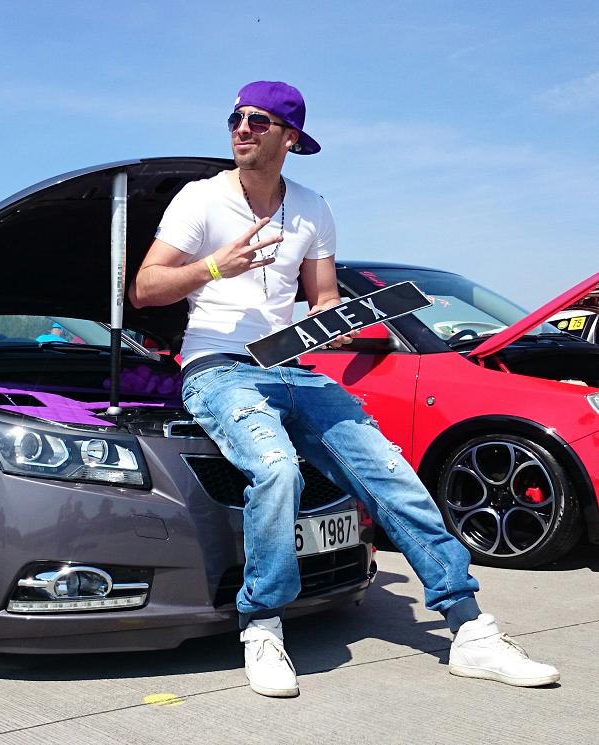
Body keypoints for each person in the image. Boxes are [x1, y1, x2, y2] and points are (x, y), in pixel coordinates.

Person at [129, 80, 559, 698]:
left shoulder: (313, 208)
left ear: (290, 138)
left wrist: (337, 323)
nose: (242, 128)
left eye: (258, 120)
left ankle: (470, 630)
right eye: (236, 118)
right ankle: (263, 625)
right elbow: (145, 289)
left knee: (392, 475)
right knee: (277, 470)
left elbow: (324, 297)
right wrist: (217, 266)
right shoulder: (200, 200)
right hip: (218, 366)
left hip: (293, 366)